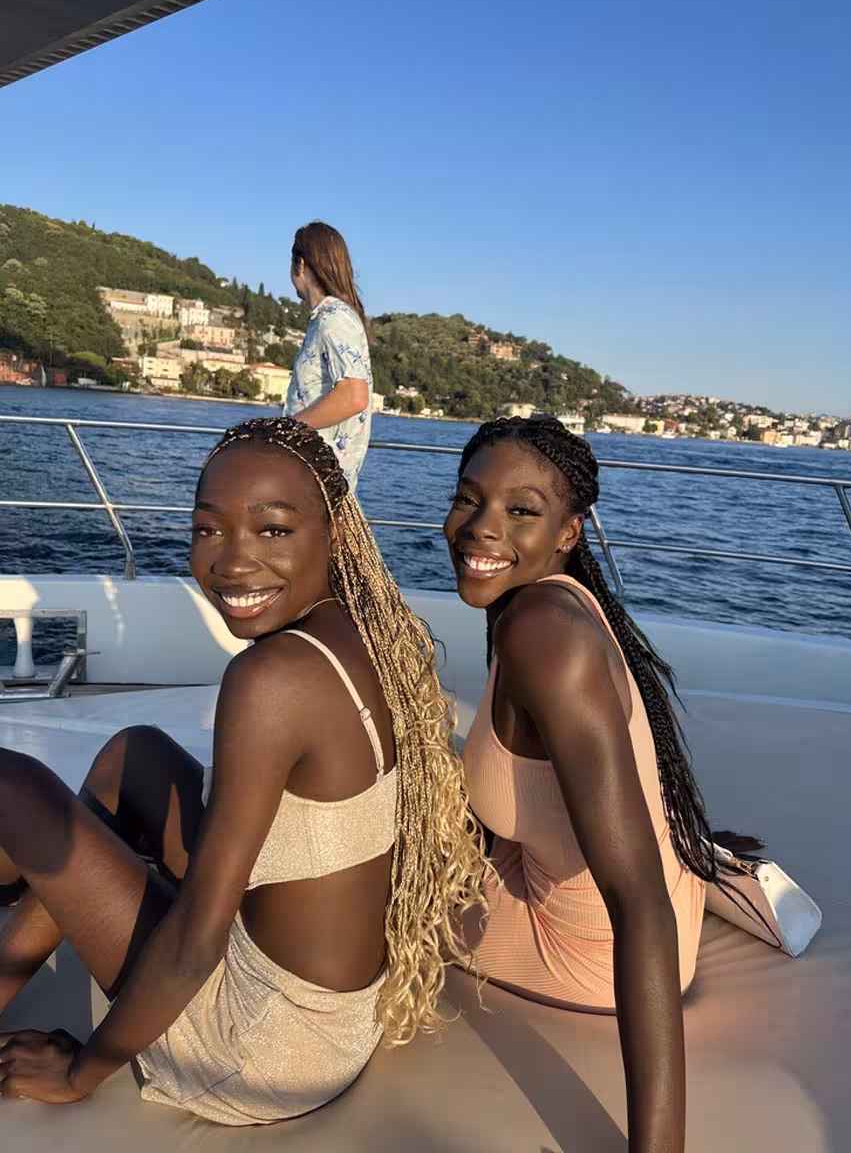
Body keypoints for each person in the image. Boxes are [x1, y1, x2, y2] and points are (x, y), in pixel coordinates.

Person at [0, 416, 487, 1124]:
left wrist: (80, 1071)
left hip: (253, 1055)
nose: (231, 562)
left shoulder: (271, 678)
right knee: (132, 757)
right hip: (329, 1025)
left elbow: (198, 933)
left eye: (273, 531)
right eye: (208, 530)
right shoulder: (361, 628)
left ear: (336, 535)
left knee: (13, 786)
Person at [444, 415, 716, 1153]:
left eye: (520, 511)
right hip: (596, 895)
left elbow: (639, 902)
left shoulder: (546, 635)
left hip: (585, 950)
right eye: (469, 499)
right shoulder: (551, 602)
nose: (480, 529)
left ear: (569, 531)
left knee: (356, 859)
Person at [284, 221, 373, 492]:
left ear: (299, 265)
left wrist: (289, 429)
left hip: (318, 480)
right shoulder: (331, 317)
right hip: (315, 475)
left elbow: (354, 396)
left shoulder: (333, 318)